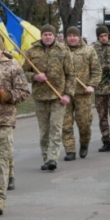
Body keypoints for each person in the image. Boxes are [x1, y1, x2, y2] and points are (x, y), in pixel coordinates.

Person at [0, 34, 30, 214]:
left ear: (1, 48)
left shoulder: (13, 66)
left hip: (4, 119)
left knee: (0, 159)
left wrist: (6, 95)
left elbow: (24, 92)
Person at [23, 24, 75, 171]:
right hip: (40, 97)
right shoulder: (32, 52)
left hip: (58, 97)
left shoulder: (63, 51)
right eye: (45, 34)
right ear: (41, 36)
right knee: (44, 130)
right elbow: (23, 73)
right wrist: (34, 76)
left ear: (54, 36)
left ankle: (53, 158)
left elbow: (71, 75)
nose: (47, 37)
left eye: (50, 34)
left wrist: (68, 94)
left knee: (56, 128)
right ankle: (46, 157)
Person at [62, 27, 101, 160]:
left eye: (75, 35)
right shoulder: (61, 51)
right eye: (70, 35)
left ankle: (84, 143)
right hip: (65, 93)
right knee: (65, 124)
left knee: (84, 123)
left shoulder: (89, 50)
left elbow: (96, 70)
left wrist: (92, 85)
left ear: (79, 37)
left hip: (82, 93)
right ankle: (70, 150)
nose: (72, 38)